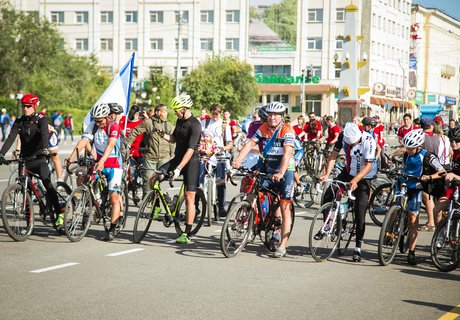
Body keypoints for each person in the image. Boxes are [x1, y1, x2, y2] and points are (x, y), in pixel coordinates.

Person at [233, 101, 296, 258]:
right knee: (253, 188)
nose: (272, 117)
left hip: (285, 170)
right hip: (267, 167)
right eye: (270, 115)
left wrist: (281, 172)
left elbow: (287, 154)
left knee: (283, 206)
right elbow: (249, 145)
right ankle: (251, 224)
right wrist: (238, 160)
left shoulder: (287, 130)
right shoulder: (263, 128)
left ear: (281, 117)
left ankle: (282, 244)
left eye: (275, 115)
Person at [0, 93, 65, 235]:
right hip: (25, 159)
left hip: (39, 157)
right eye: (23, 106)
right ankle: (28, 224)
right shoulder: (19, 121)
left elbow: (43, 135)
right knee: (26, 190)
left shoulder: (41, 119)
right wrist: (1, 153)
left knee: (48, 185)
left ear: (34, 106)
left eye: (28, 106)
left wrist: (45, 149)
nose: (25, 108)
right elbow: (11, 137)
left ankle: (59, 213)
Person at [320, 122, 377, 262]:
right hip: (348, 171)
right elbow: (334, 154)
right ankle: (327, 224)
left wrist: (356, 180)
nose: (350, 145)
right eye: (349, 144)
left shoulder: (369, 141)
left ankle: (358, 246)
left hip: (364, 176)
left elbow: (368, 165)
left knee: (360, 211)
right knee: (329, 193)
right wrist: (327, 174)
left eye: (353, 143)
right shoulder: (343, 135)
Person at [67, 103, 124, 241]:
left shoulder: (113, 126)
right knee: (84, 179)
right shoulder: (93, 125)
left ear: (107, 117)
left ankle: (112, 229)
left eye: (100, 120)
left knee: (114, 196)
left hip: (114, 165)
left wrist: (103, 160)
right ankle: (92, 204)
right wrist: (71, 157)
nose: (97, 123)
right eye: (95, 119)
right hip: (98, 162)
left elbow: (111, 145)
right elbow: (83, 142)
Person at [150, 94, 201, 244]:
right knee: (153, 177)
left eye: (177, 110)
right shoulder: (179, 120)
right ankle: (162, 202)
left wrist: (179, 168)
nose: (175, 113)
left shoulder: (195, 124)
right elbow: (174, 139)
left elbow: (190, 150)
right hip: (177, 159)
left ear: (185, 109)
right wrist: (162, 135)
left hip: (191, 162)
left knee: (190, 197)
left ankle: (187, 233)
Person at [396, 129, 446, 265]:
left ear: (419, 146)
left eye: (411, 148)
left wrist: (429, 176)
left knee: (413, 220)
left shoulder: (428, 156)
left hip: (416, 187)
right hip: (404, 183)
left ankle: (411, 252)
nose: (408, 150)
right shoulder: (406, 153)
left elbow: (442, 172)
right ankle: (393, 225)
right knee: (396, 207)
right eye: (407, 147)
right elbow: (403, 161)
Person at [126, 104, 174, 199]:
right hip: (150, 157)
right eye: (163, 111)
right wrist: (128, 145)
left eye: (166, 111)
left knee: (158, 180)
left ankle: (157, 200)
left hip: (164, 157)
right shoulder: (148, 123)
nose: (165, 113)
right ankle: (147, 201)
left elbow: (172, 142)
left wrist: (172, 155)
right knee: (147, 181)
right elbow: (135, 131)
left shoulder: (168, 125)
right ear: (157, 112)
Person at [201, 103, 233, 217]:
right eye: (213, 113)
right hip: (206, 155)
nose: (215, 116)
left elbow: (230, 144)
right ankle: (195, 206)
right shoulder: (205, 123)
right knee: (198, 180)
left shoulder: (224, 125)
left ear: (220, 113)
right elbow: (199, 137)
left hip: (219, 156)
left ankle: (221, 207)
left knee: (220, 181)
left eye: (218, 113)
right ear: (210, 112)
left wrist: (223, 148)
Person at [433, 127, 460, 226]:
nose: (453, 143)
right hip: (454, 188)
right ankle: (440, 235)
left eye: (457, 141)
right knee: (436, 209)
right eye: (451, 140)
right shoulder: (455, 154)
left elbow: (454, 174)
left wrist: (454, 175)